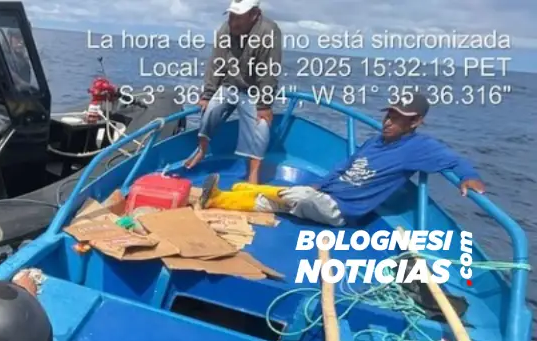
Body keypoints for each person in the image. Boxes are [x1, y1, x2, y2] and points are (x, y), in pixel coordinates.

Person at [201, 95, 487, 227]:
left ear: (415, 122)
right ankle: (218, 200)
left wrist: (469, 177)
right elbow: (345, 166)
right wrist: (321, 184)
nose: (388, 122)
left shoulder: (419, 147)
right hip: (326, 196)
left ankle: (243, 191)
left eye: (398, 118)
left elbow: (454, 160)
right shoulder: (375, 140)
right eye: (389, 115)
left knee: (295, 196)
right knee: (272, 201)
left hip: (342, 211)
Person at [182, 0, 282, 184]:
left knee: (261, 127)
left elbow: (269, 71)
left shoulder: (269, 31)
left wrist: (264, 105)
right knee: (209, 111)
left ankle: (253, 174)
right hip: (229, 85)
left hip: (254, 91)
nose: (233, 22)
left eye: (238, 17)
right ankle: (202, 150)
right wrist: (207, 94)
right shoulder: (225, 29)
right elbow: (216, 63)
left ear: (254, 15)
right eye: (231, 16)